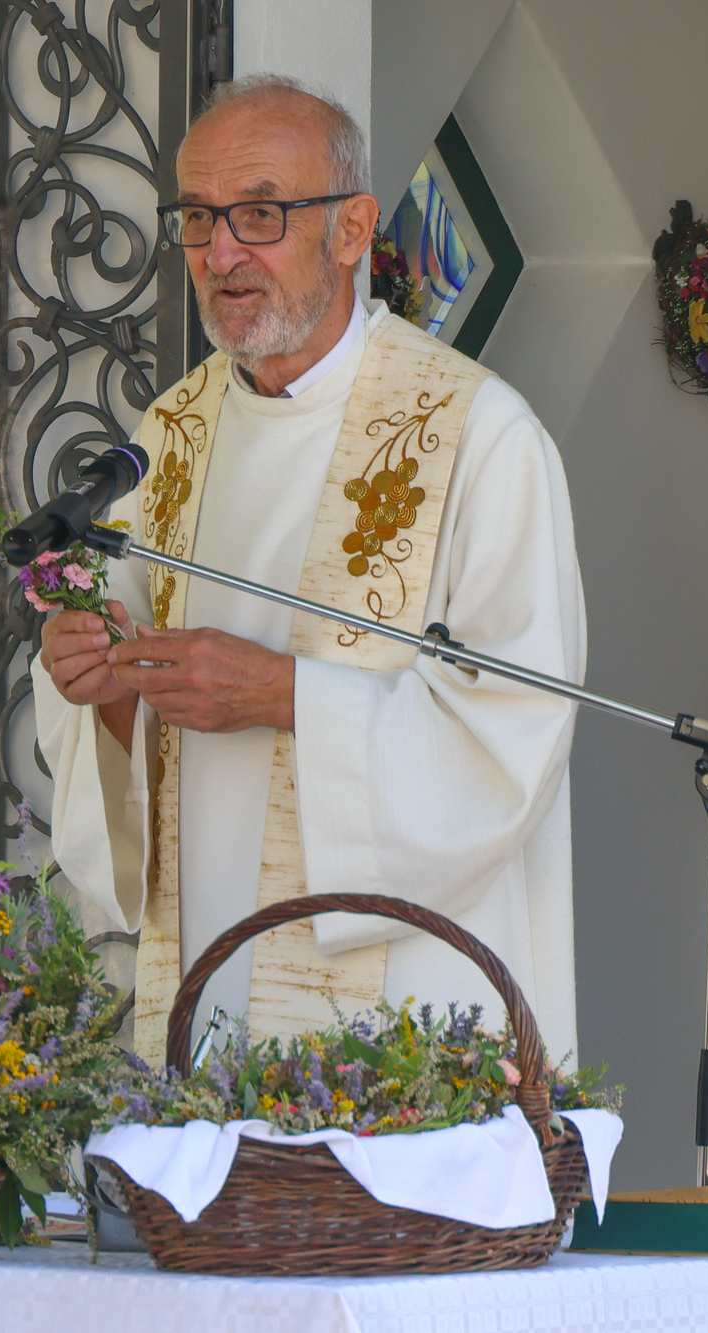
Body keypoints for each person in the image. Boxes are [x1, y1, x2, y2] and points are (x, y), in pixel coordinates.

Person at [33, 76, 586, 1067]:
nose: (220, 253)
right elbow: (119, 674)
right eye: (197, 219)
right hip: (207, 949)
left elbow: (518, 721)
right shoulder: (173, 430)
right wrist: (94, 684)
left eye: (258, 213)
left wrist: (287, 694)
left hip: (400, 974)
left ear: (351, 230)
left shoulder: (473, 433)